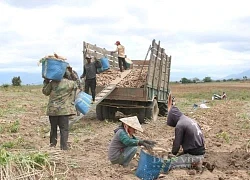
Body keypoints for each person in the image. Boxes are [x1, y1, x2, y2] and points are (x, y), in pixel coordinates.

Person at [42, 68, 78, 150]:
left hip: (53, 111)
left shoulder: (52, 83)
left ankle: (52, 146)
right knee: (64, 129)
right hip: (64, 111)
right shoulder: (69, 83)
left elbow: (45, 92)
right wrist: (72, 73)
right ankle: (64, 147)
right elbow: (78, 84)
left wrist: (46, 81)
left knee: (53, 129)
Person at [167, 105, 206, 171]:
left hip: (193, 155)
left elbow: (176, 146)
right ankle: (197, 161)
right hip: (200, 152)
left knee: (170, 164)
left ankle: (195, 163)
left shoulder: (180, 125)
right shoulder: (190, 120)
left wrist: (172, 155)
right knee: (178, 158)